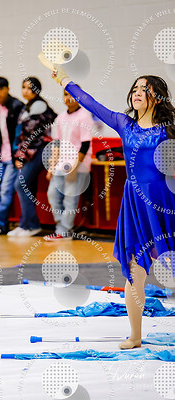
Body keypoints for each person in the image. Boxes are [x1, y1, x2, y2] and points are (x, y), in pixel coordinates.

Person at [52, 65, 175, 349]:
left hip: (164, 199)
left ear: (157, 96)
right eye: (135, 88)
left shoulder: (169, 128)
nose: (137, 93)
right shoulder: (124, 124)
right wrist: (65, 80)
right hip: (135, 203)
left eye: (144, 89)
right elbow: (90, 102)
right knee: (135, 269)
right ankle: (135, 335)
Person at [8, 77, 56, 237]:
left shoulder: (40, 106)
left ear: (36, 90)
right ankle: (24, 223)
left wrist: (21, 155)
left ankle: (32, 225)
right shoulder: (27, 106)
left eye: (29, 88)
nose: (25, 91)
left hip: (39, 150)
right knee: (27, 186)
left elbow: (31, 135)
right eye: (23, 87)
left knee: (20, 183)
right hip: (29, 151)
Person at [44, 86, 94, 241]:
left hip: (77, 165)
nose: (68, 97)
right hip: (61, 163)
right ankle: (61, 227)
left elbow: (85, 145)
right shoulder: (60, 118)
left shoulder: (84, 117)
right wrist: (51, 167)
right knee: (52, 194)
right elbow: (56, 144)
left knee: (70, 198)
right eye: (65, 94)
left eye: (72, 94)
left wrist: (75, 167)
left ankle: (64, 230)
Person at [0, 77, 24, 236]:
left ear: (8, 89)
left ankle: (1, 225)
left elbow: (20, 133)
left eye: (1, 89)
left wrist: (18, 155)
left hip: (13, 157)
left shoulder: (17, 106)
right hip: (2, 155)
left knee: (6, 190)